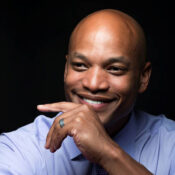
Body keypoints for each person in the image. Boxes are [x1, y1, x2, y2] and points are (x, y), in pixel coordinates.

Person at [0, 9, 174, 175]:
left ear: (143, 77)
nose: (93, 84)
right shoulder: (18, 149)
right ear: (66, 69)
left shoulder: (170, 145)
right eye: (80, 65)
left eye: (114, 69)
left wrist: (107, 152)